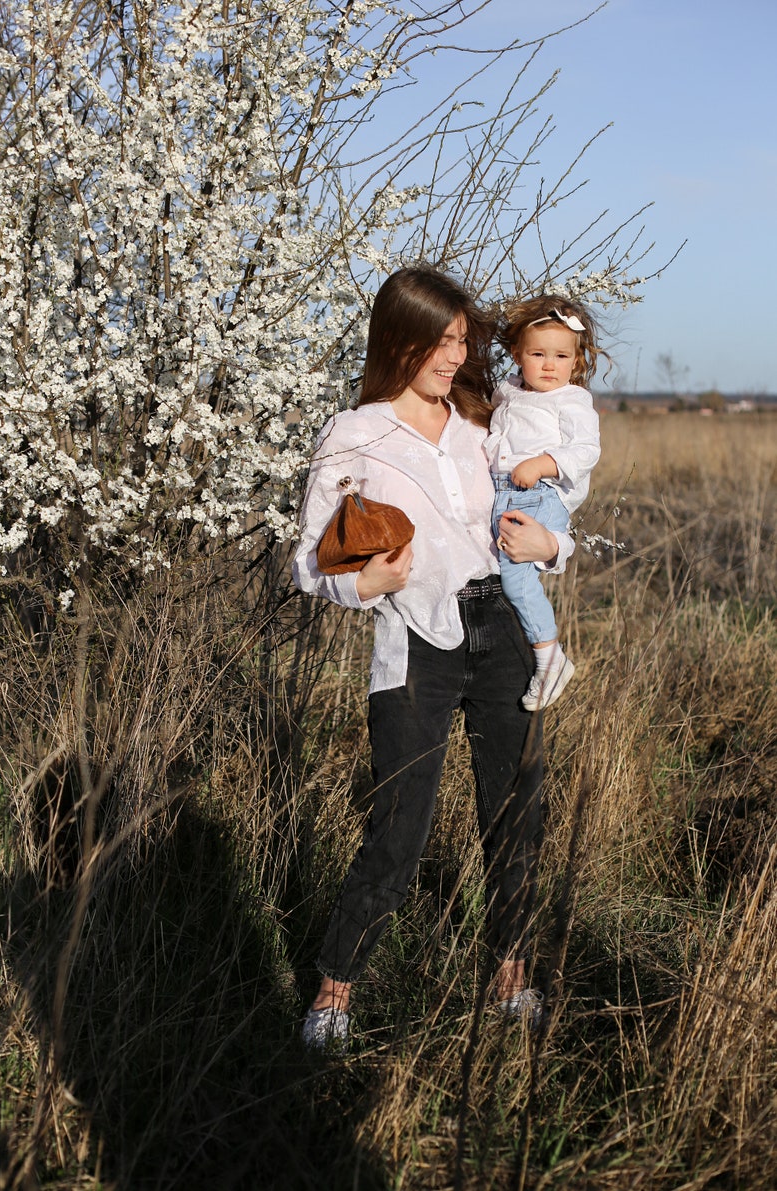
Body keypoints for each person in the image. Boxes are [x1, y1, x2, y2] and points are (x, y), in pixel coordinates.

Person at [292, 265, 574, 1050]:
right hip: (414, 635)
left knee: (516, 811)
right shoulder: (356, 434)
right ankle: (333, 993)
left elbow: (546, 515)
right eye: (439, 341)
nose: (454, 356)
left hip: (505, 632)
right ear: (399, 339)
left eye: (462, 340)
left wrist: (554, 546)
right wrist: (363, 585)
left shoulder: (487, 424)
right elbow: (306, 563)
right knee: (399, 825)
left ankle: (510, 977)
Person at [485, 295, 603, 710]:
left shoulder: (571, 400)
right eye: (538, 354)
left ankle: (550, 656)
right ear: (517, 354)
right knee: (501, 571)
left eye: (560, 355)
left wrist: (544, 463)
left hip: (540, 494)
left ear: (576, 360)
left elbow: (587, 450)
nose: (549, 365)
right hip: (506, 493)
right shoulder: (508, 392)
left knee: (516, 578)